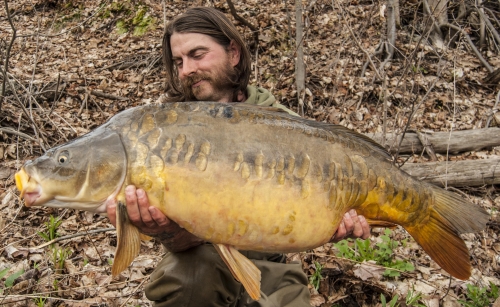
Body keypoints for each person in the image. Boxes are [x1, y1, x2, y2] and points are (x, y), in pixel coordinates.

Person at [107, 7, 370, 307]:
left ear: (233, 53)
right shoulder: (167, 133)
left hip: (270, 261)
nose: (186, 70)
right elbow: (183, 241)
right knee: (189, 280)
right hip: (199, 259)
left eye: (197, 54)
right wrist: (163, 231)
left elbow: (310, 215)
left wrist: (332, 223)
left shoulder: (284, 126)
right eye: (179, 62)